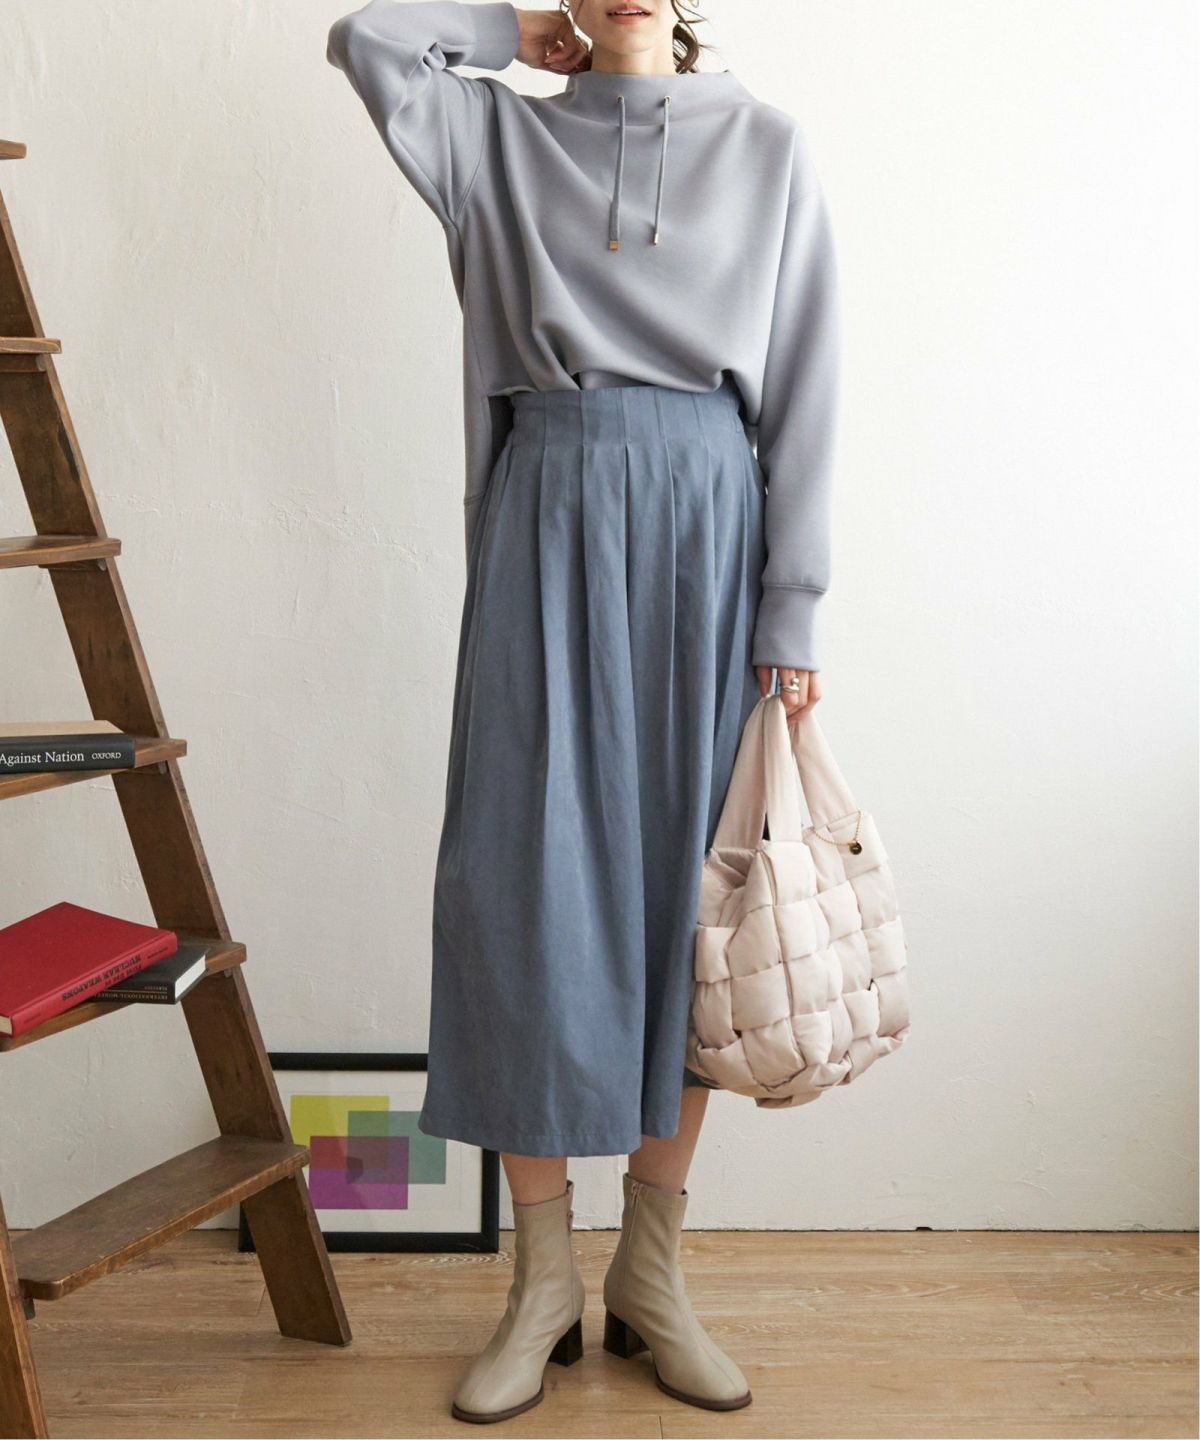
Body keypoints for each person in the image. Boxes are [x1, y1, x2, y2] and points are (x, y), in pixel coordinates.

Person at [326, 0, 839, 1422]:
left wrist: (792, 609)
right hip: (545, 522)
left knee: (698, 902)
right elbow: (369, 41)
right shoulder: (495, 140)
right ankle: (541, 1283)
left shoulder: (768, 148)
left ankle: (650, 1277)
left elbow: (806, 389)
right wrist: (512, 28)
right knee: (522, 895)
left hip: (708, 539)